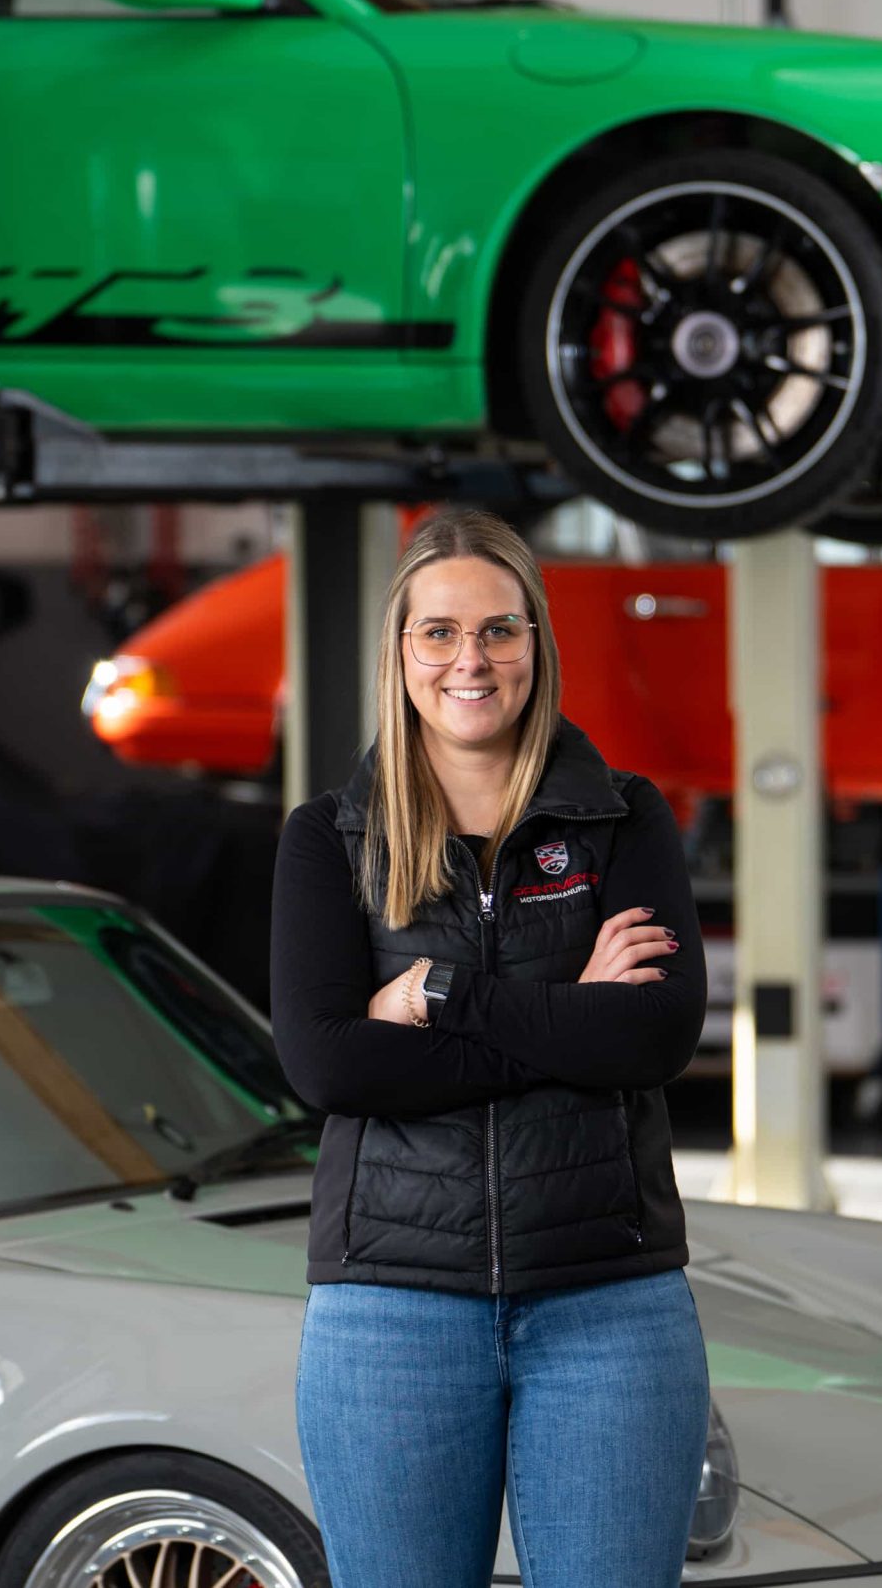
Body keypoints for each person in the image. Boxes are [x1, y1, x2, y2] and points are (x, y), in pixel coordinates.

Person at [271, 507, 712, 1588]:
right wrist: (570, 1018)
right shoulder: (329, 839)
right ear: (401, 650)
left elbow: (653, 1034)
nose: (470, 660)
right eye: (439, 632)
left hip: (607, 1304)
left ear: (536, 646)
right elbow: (331, 1066)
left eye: (499, 631)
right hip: (390, 1309)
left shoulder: (622, 822)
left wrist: (436, 992)